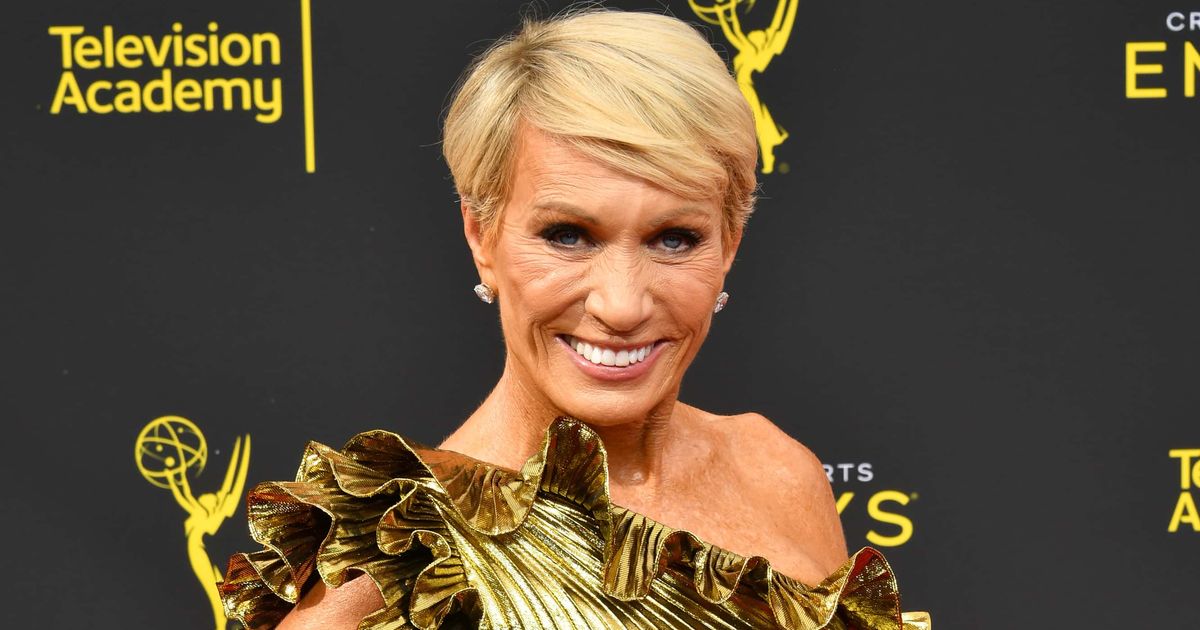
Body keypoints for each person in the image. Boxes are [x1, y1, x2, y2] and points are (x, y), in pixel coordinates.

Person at [220, 8, 930, 629]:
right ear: (482, 237)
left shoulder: (780, 471)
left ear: (730, 245)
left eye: (674, 238)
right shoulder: (396, 560)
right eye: (568, 234)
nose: (621, 305)